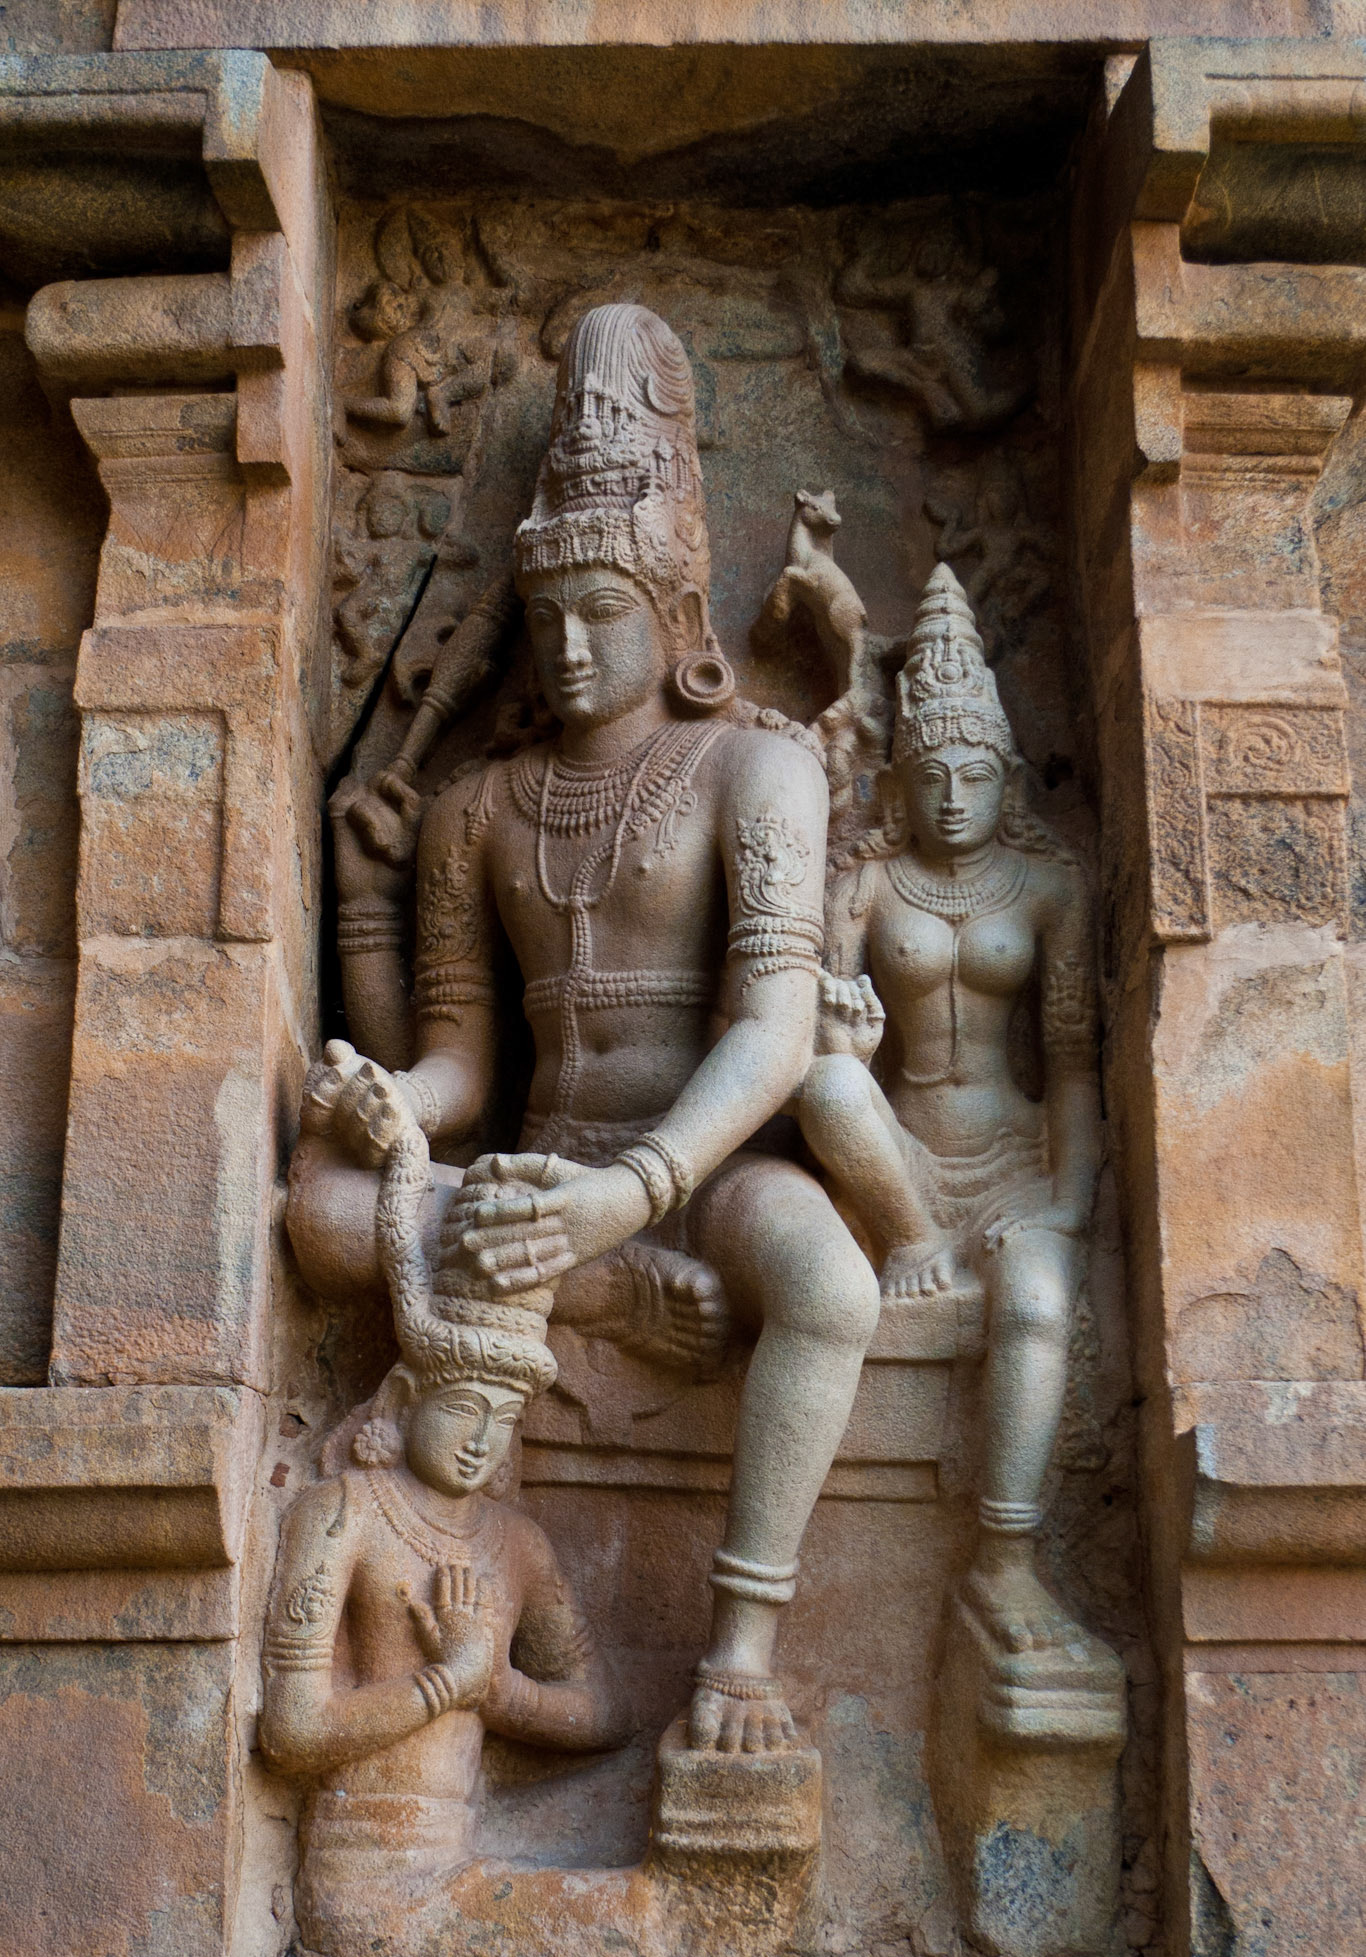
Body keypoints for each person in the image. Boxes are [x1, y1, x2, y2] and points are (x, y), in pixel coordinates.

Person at [309, 303, 881, 1755]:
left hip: (699, 1165)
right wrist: (394, 1105)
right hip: (536, 1175)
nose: (565, 646)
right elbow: (465, 1067)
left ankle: (737, 1654)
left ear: (675, 614)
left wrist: (631, 1196)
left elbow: (768, 1030)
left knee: (827, 1279)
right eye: (546, 614)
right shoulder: (474, 808)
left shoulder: (755, 769)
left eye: (601, 612)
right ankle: (602, 1299)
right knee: (317, 1207)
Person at [800, 562, 1104, 1663]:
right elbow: (822, 1050)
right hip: (899, 1160)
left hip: (1012, 1160)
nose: (950, 797)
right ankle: (911, 1244)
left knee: (1031, 1305)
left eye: (973, 774)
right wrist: (848, 1039)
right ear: (901, 779)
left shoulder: (1048, 886)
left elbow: (1071, 1061)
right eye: (929, 773)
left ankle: (1006, 1563)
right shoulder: (863, 884)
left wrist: (1066, 1207)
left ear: (1006, 777)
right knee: (827, 1082)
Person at [262, 1097, 627, 1932]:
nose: (482, 1444)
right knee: (633, 1919)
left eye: (503, 1422)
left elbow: (607, 1712)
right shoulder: (343, 1513)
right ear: (404, 1394)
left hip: (463, 1858)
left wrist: (496, 1689)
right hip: (366, 1878)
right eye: (467, 1411)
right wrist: (443, 1685)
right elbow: (291, 1729)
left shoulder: (515, 1545)